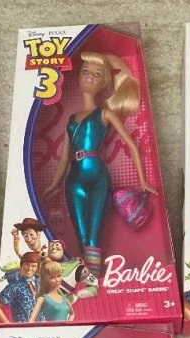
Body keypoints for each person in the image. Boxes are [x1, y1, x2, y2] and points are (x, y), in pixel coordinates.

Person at [43, 52, 157, 275]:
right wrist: (54, 184)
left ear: (104, 81)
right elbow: (64, 158)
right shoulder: (70, 120)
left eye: (97, 74)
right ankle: (88, 280)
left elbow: (131, 145)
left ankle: (95, 278)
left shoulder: (104, 114)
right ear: (78, 76)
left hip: (97, 178)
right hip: (73, 181)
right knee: (81, 235)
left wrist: (142, 180)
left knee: (94, 235)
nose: (89, 77)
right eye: (85, 71)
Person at [0, 251, 42, 323]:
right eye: (26, 265)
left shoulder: (39, 283)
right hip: (22, 326)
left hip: (42, 325)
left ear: (37, 268)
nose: (29, 268)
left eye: (33, 266)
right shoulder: (13, 286)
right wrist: (8, 324)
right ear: (21, 265)